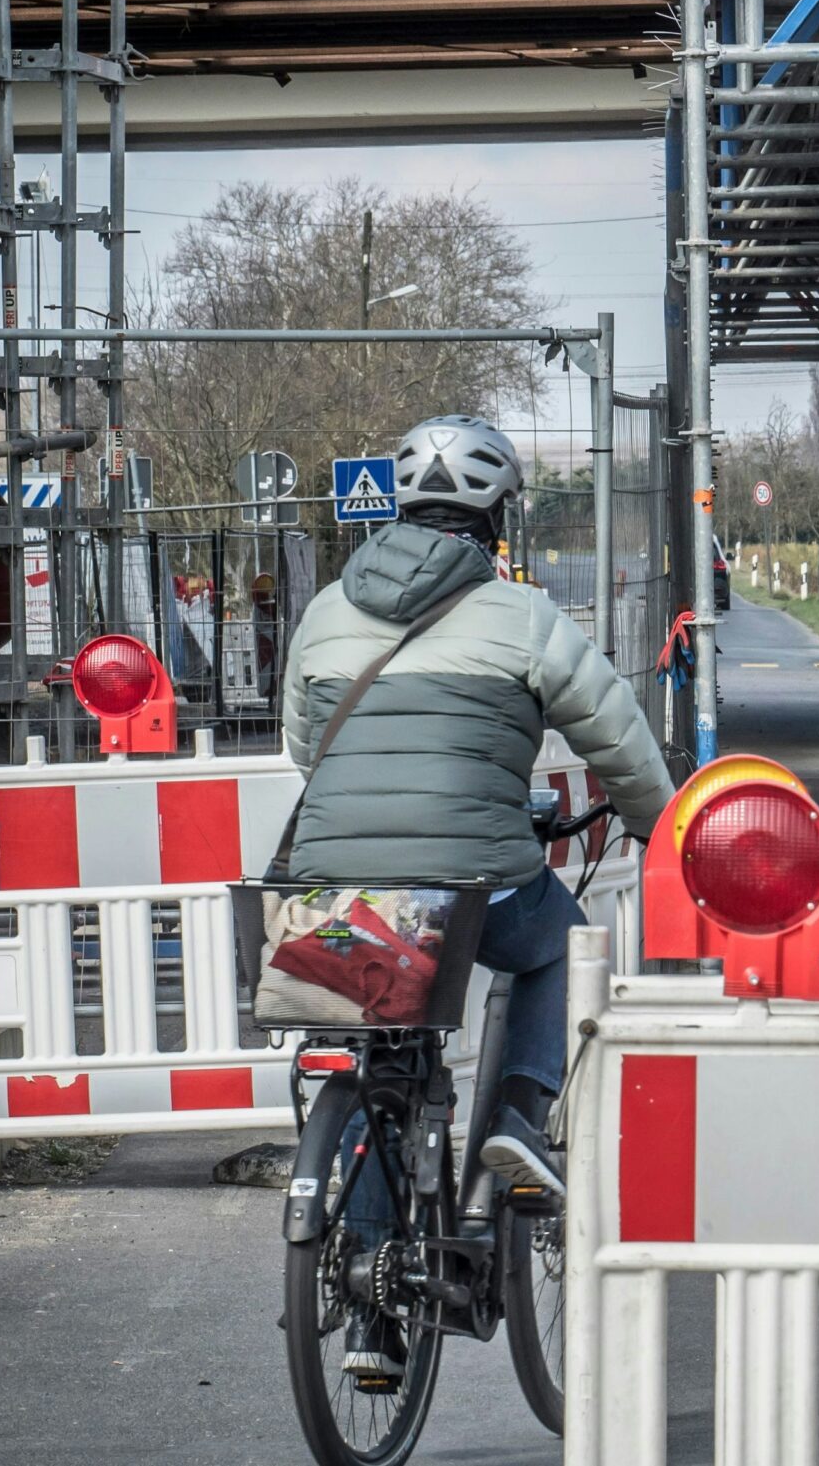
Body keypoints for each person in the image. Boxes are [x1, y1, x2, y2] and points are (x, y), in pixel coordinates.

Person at [278, 415, 672, 1378]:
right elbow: (615, 735)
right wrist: (658, 818)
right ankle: (517, 1125)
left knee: (383, 1052)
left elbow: (303, 743)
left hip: (338, 893)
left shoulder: (328, 607)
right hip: (476, 881)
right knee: (557, 939)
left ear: (401, 507)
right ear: (498, 516)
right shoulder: (522, 614)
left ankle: (374, 1327)